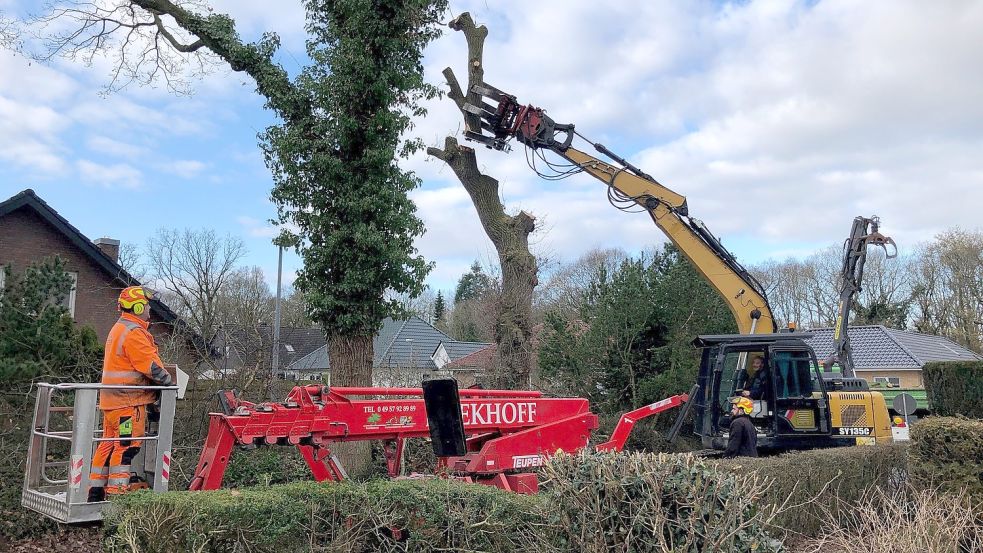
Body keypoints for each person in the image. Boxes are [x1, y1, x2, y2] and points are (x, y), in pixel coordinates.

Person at [87, 286, 174, 501]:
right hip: (128, 403)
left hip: (111, 403)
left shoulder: (118, 328)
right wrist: (168, 383)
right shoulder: (134, 333)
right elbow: (150, 366)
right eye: (145, 305)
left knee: (107, 444)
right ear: (136, 307)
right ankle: (117, 495)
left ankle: (95, 491)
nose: (148, 309)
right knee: (127, 447)